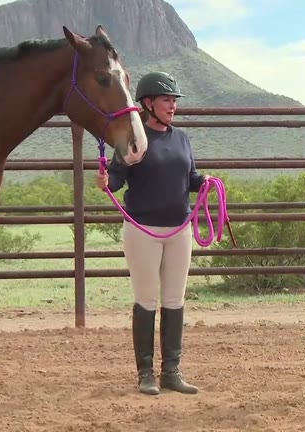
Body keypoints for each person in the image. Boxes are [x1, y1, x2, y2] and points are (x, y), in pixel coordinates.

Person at [96, 71, 211, 396]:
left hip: (179, 230)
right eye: (166, 100)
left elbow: (190, 177)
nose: (173, 106)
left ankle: (171, 371)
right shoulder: (134, 138)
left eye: (174, 101)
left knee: (175, 299)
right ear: (148, 103)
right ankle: (145, 373)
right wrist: (106, 182)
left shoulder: (182, 139)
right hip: (142, 230)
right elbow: (117, 179)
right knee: (146, 299)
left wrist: (204, 182)